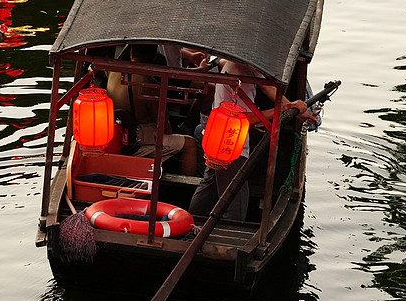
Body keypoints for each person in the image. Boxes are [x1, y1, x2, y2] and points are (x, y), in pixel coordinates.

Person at [189, 60, 316, 222]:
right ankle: (228, 240)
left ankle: (191, 224)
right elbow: (244, 117)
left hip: (218, 138)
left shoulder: (239, 65)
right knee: (236, 201)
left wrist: (295, 109)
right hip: (230, 144)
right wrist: (287, 108)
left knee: (209, 187)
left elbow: (269, 90)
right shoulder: (240, 70)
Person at [107, 45, 197, 176]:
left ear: (131, 54)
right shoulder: (148, 83)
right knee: (190, 144)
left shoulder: (113, 71)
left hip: (116, 132)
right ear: (155, 58)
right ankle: (187, 189)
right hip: (136, 142)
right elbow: (164, 127)